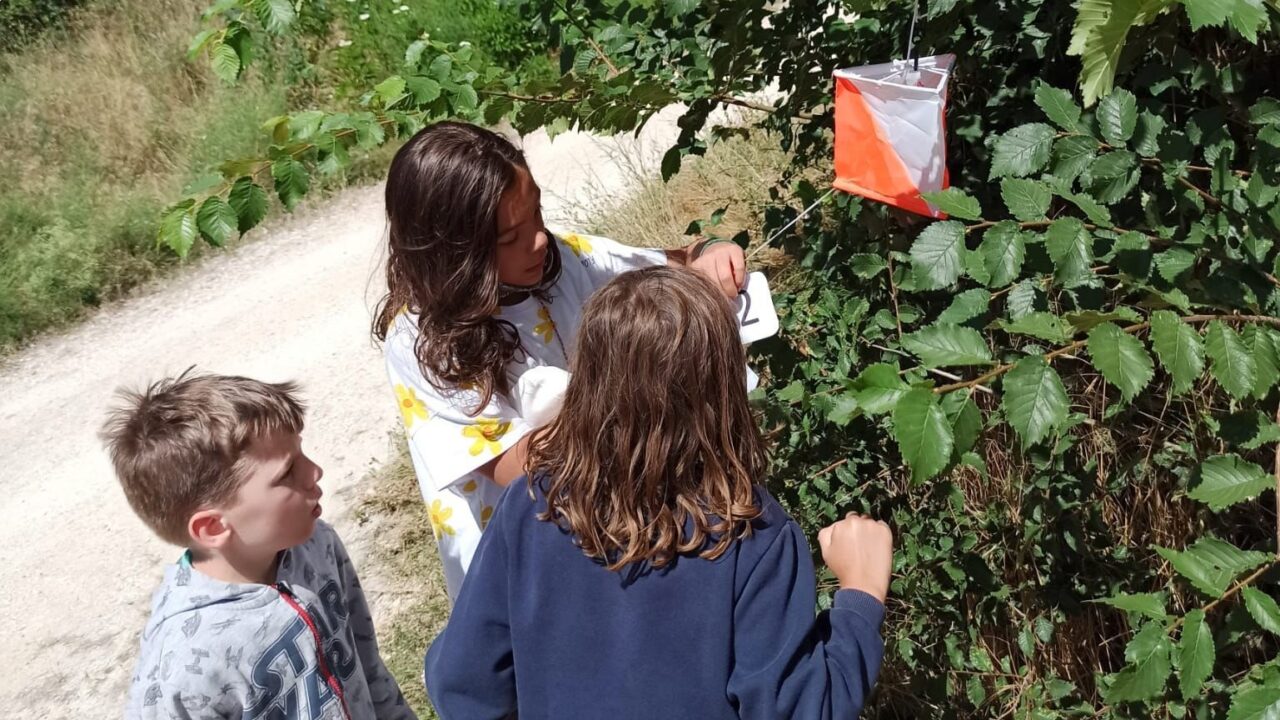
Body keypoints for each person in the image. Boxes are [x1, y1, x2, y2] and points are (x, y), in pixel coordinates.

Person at [424, 267, 893, 719]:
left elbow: (462, 686)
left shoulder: (532, 506)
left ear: (585, 381)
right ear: (725, 389)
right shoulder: (753, 537)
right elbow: (802, 709)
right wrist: (860, 595)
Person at [375, 121, 748, 600]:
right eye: (508, 237)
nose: (536, 241)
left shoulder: (568, 259)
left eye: (537, 214)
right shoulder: (422, 341)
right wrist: (645, 399)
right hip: (525, 564)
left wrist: (711, 254)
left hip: (618, 525)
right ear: (453, 253)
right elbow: (517, 466)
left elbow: (673, 265)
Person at [101, 371, 415, 719]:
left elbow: (367, 661)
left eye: (302, 453)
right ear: (214, 526)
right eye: (287, 472)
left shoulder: (316, 543)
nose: (315, 472)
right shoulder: (185, 663)